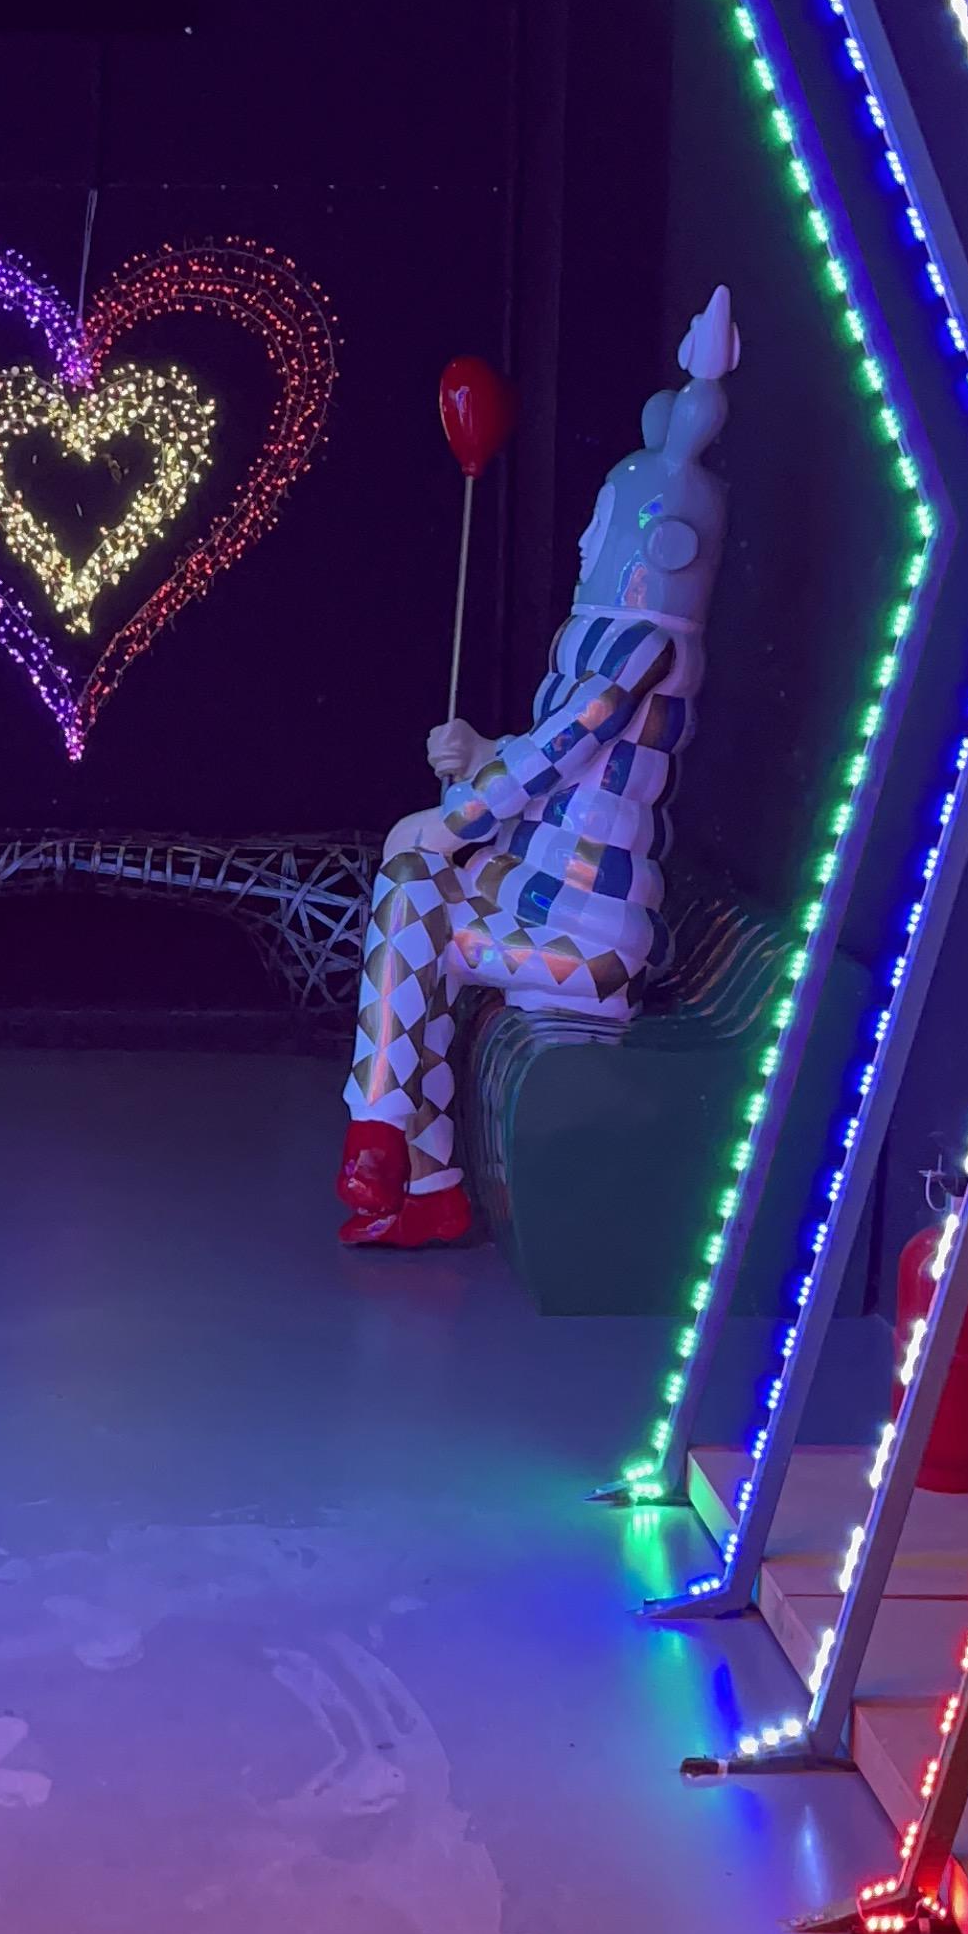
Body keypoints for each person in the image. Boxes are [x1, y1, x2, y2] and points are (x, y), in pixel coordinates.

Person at [337, 285, 741, 1250]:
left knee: (414, 897)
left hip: (588, 945)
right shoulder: (606, 640)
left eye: (605, 522)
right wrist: (479, 757)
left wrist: (458, 814)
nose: (587, 540)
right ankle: (410, 1168)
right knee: (413, 893)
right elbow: (555, 757)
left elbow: (561, 750)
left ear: (660, 543)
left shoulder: (645, 649)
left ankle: (389, 1142)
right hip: (539, 906)